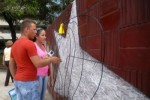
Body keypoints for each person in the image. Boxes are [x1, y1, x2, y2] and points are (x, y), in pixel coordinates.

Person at [9, 19, 61, 100]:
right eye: (34, 29)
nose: (35, 32)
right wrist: (51, 60)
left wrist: (15, 78)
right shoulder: (29, 44)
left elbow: (11, 64)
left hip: (18, 81)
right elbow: (38, 63)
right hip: (29, 82)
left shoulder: (15, 44)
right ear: (26, 29)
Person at [33, 28, 49, 100]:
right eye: (42, 35)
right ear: (36, 36)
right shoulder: (33, 46)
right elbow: (33, 61)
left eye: (45, 35)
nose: (45, 37)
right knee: (37, 95)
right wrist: (43, 59)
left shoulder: (43, 46)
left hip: (45, 74)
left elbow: (44, 57)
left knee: (42, 95)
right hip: (38, 74)